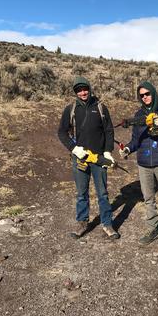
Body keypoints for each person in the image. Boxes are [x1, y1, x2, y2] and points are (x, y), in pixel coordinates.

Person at [119, 81, 158, 254]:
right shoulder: (139, 114)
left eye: (147, 93)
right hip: (144, 163)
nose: (145, 97)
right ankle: (152, 229)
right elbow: (135, 140)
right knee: (149, 199)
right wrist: (127, 148)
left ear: (154, 93)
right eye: (141, 95)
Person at [58, 76, 119, 240]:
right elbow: (62, 132)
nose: (83, 92)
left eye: (85, 89)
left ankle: (107, 224)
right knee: (81, 193)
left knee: (103, 193)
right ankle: (82, 223)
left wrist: (107, 151)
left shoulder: (100, 107)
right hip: (80, 158)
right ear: (75, 92)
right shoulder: (70, 109)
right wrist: (73, 148)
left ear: (89, 89)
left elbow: (109, 131)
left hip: (99, 158)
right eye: (79, 90)